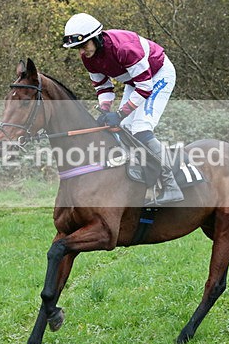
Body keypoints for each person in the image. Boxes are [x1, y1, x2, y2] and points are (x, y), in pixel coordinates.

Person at [62, 12, 184, 204]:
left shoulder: (124, 48)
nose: (82, 52)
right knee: (124, 128)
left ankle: (171, 185)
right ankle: (143, 180)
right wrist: (105, 110)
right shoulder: (88, 58)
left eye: (84, 45)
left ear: (96, 38)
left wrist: (119, 113)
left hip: (158, 75)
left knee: (141, 128)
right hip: (136, 82)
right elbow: (103, 87)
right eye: (78, 48)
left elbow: (145, 87)